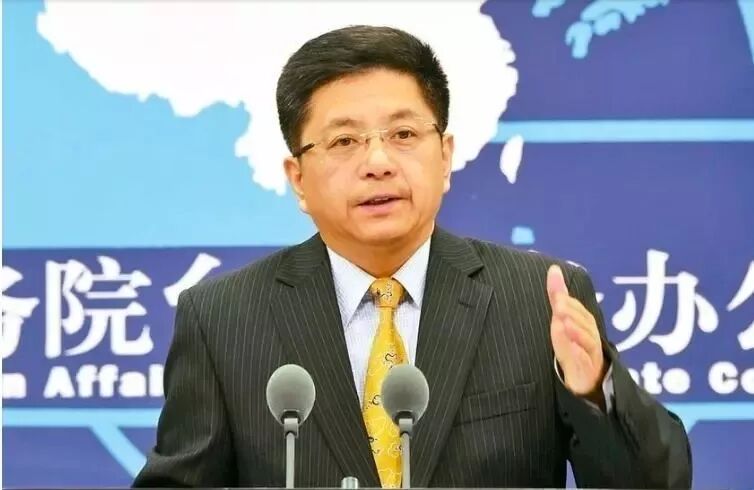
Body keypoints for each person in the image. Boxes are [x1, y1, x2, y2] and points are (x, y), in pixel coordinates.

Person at [133, 25, 691, 488]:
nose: (378, 162)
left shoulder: (537, 299)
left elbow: (658, 482)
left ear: (444, 157)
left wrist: (594, 389)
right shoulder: (223, 319)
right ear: (297, 178)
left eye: (403, 134)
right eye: (344, 141)